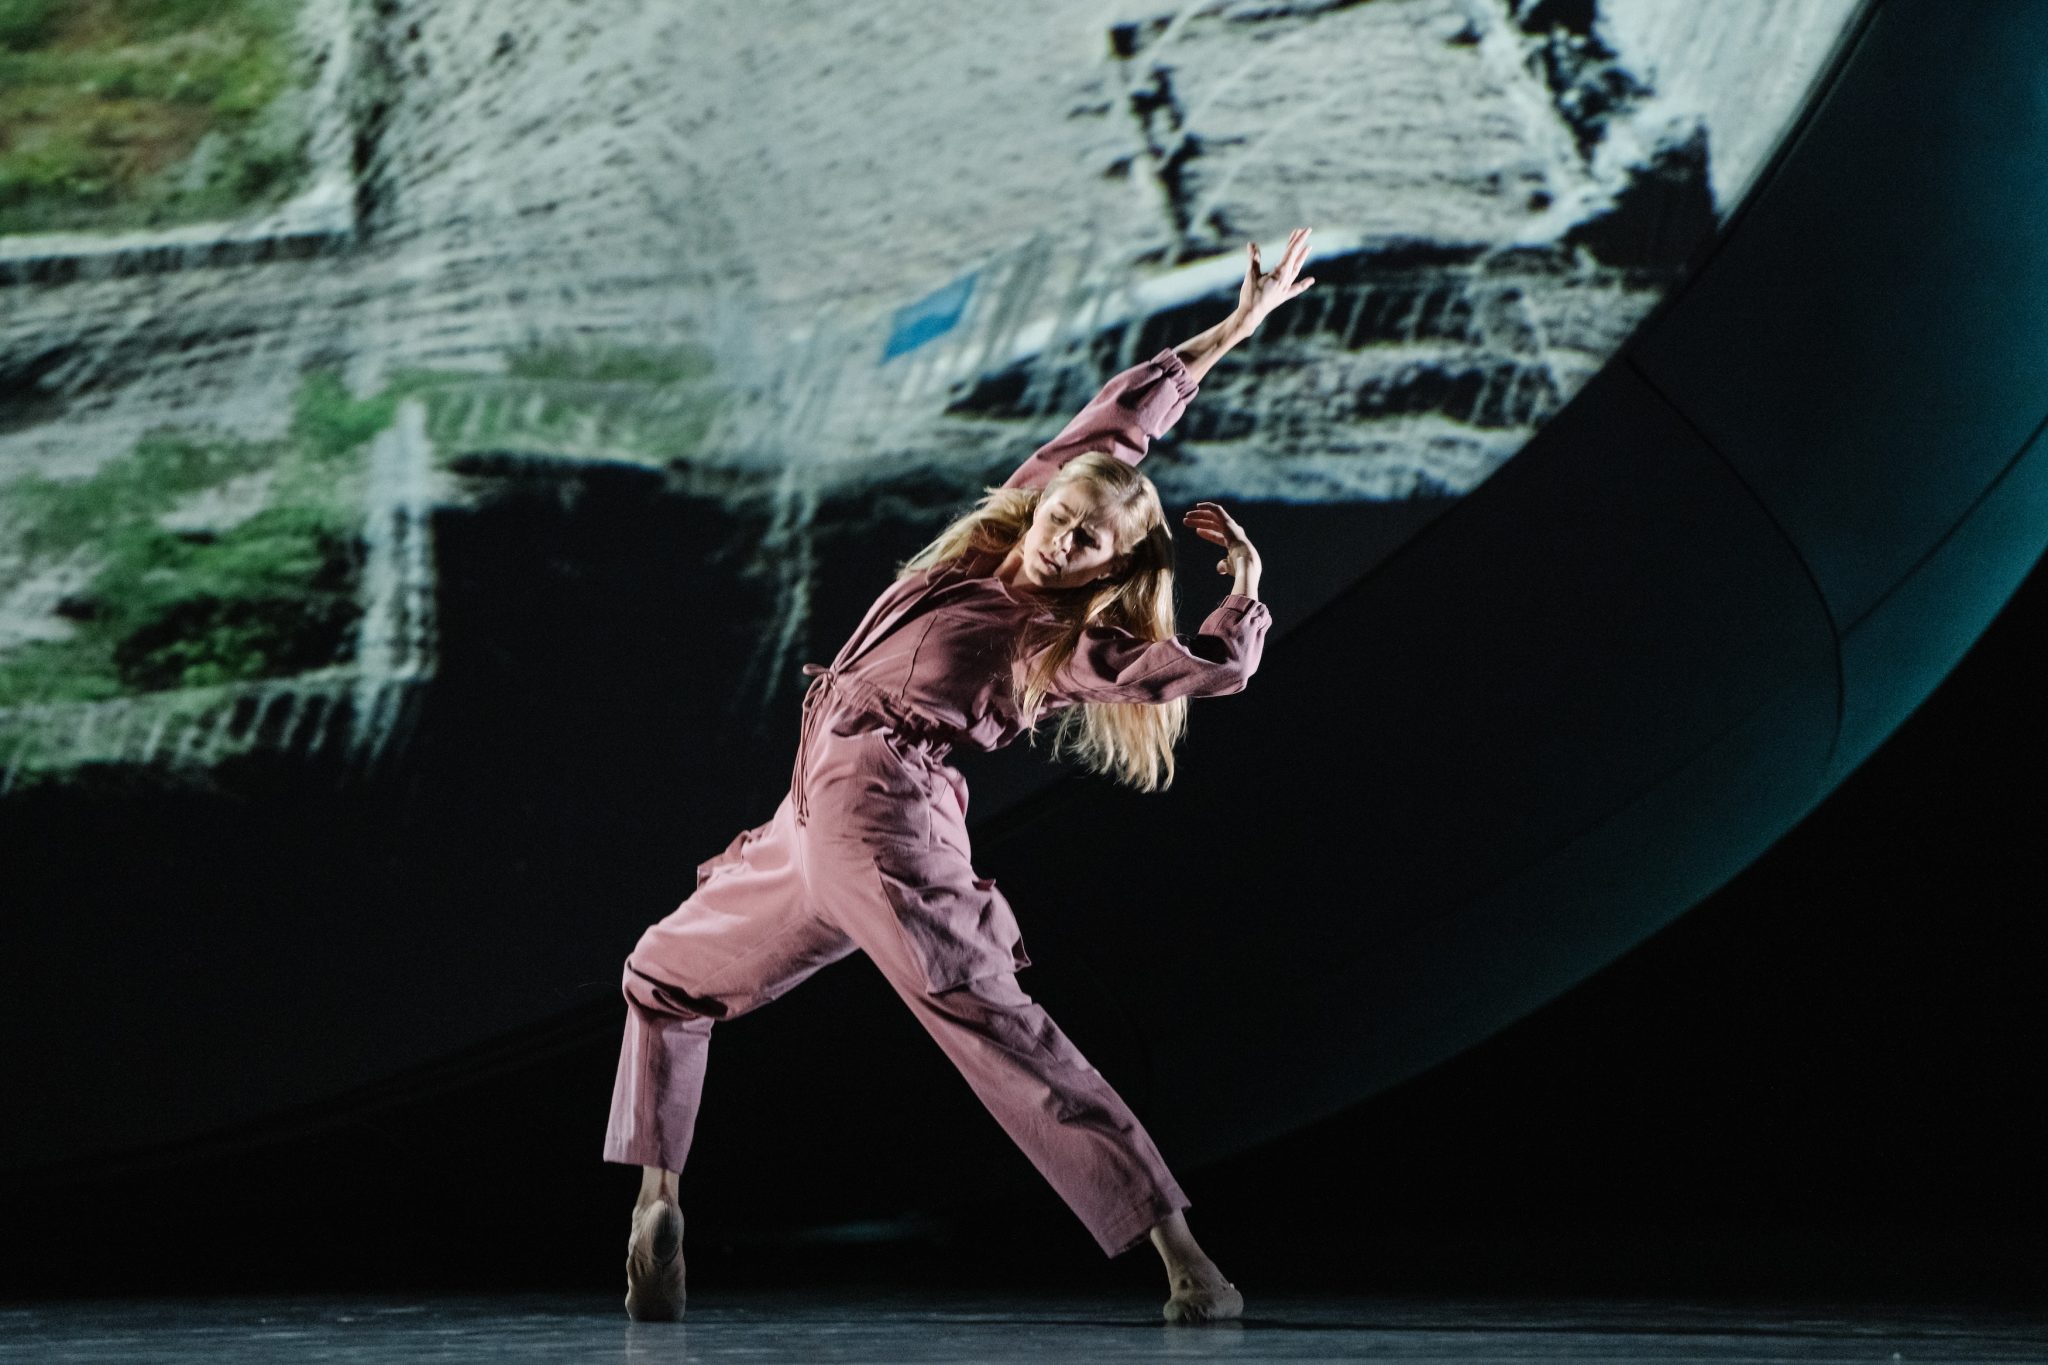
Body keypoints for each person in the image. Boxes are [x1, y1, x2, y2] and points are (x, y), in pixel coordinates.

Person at [606, 229, 1317, 1324]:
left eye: (1085, 546)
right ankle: (658, 1205)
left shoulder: (1055, 641)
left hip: (883, 824)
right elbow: (1112, 428)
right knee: (662, 977)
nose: (1059, 544)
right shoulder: (992, 542)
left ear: (1109, 572)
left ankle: (1187, 1261)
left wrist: (1246, 591)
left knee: (993, 1027)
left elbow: (1206, 668)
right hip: (805, 824)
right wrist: (1232, 328)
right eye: (1059, 522)